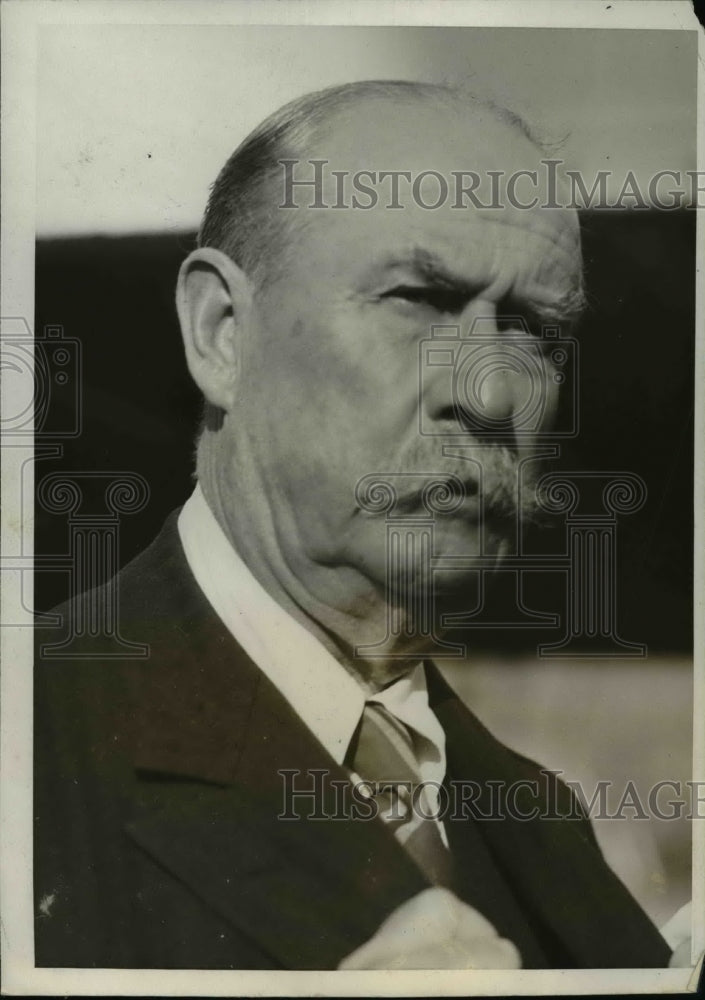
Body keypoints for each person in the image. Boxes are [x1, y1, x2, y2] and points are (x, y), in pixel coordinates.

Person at [34, 80, 672, 970]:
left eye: (530, 328)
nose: (486, 391)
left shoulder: (541, 823)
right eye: (416, 298)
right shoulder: (28, 744)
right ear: (222, 334)